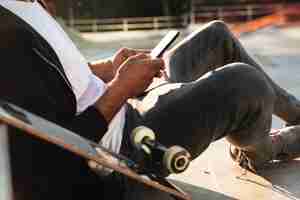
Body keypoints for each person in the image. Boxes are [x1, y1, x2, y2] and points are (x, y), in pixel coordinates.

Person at [1, 0, 300, 200]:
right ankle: (262, 150)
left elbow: (57, 77)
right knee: (245, 82)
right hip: (123, 150)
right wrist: (122, 86)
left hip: (125, 106)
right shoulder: (7, 32)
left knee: (215, 36)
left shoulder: (25, 4)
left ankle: (297, 112)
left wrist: (107, 69)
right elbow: (55, 153)